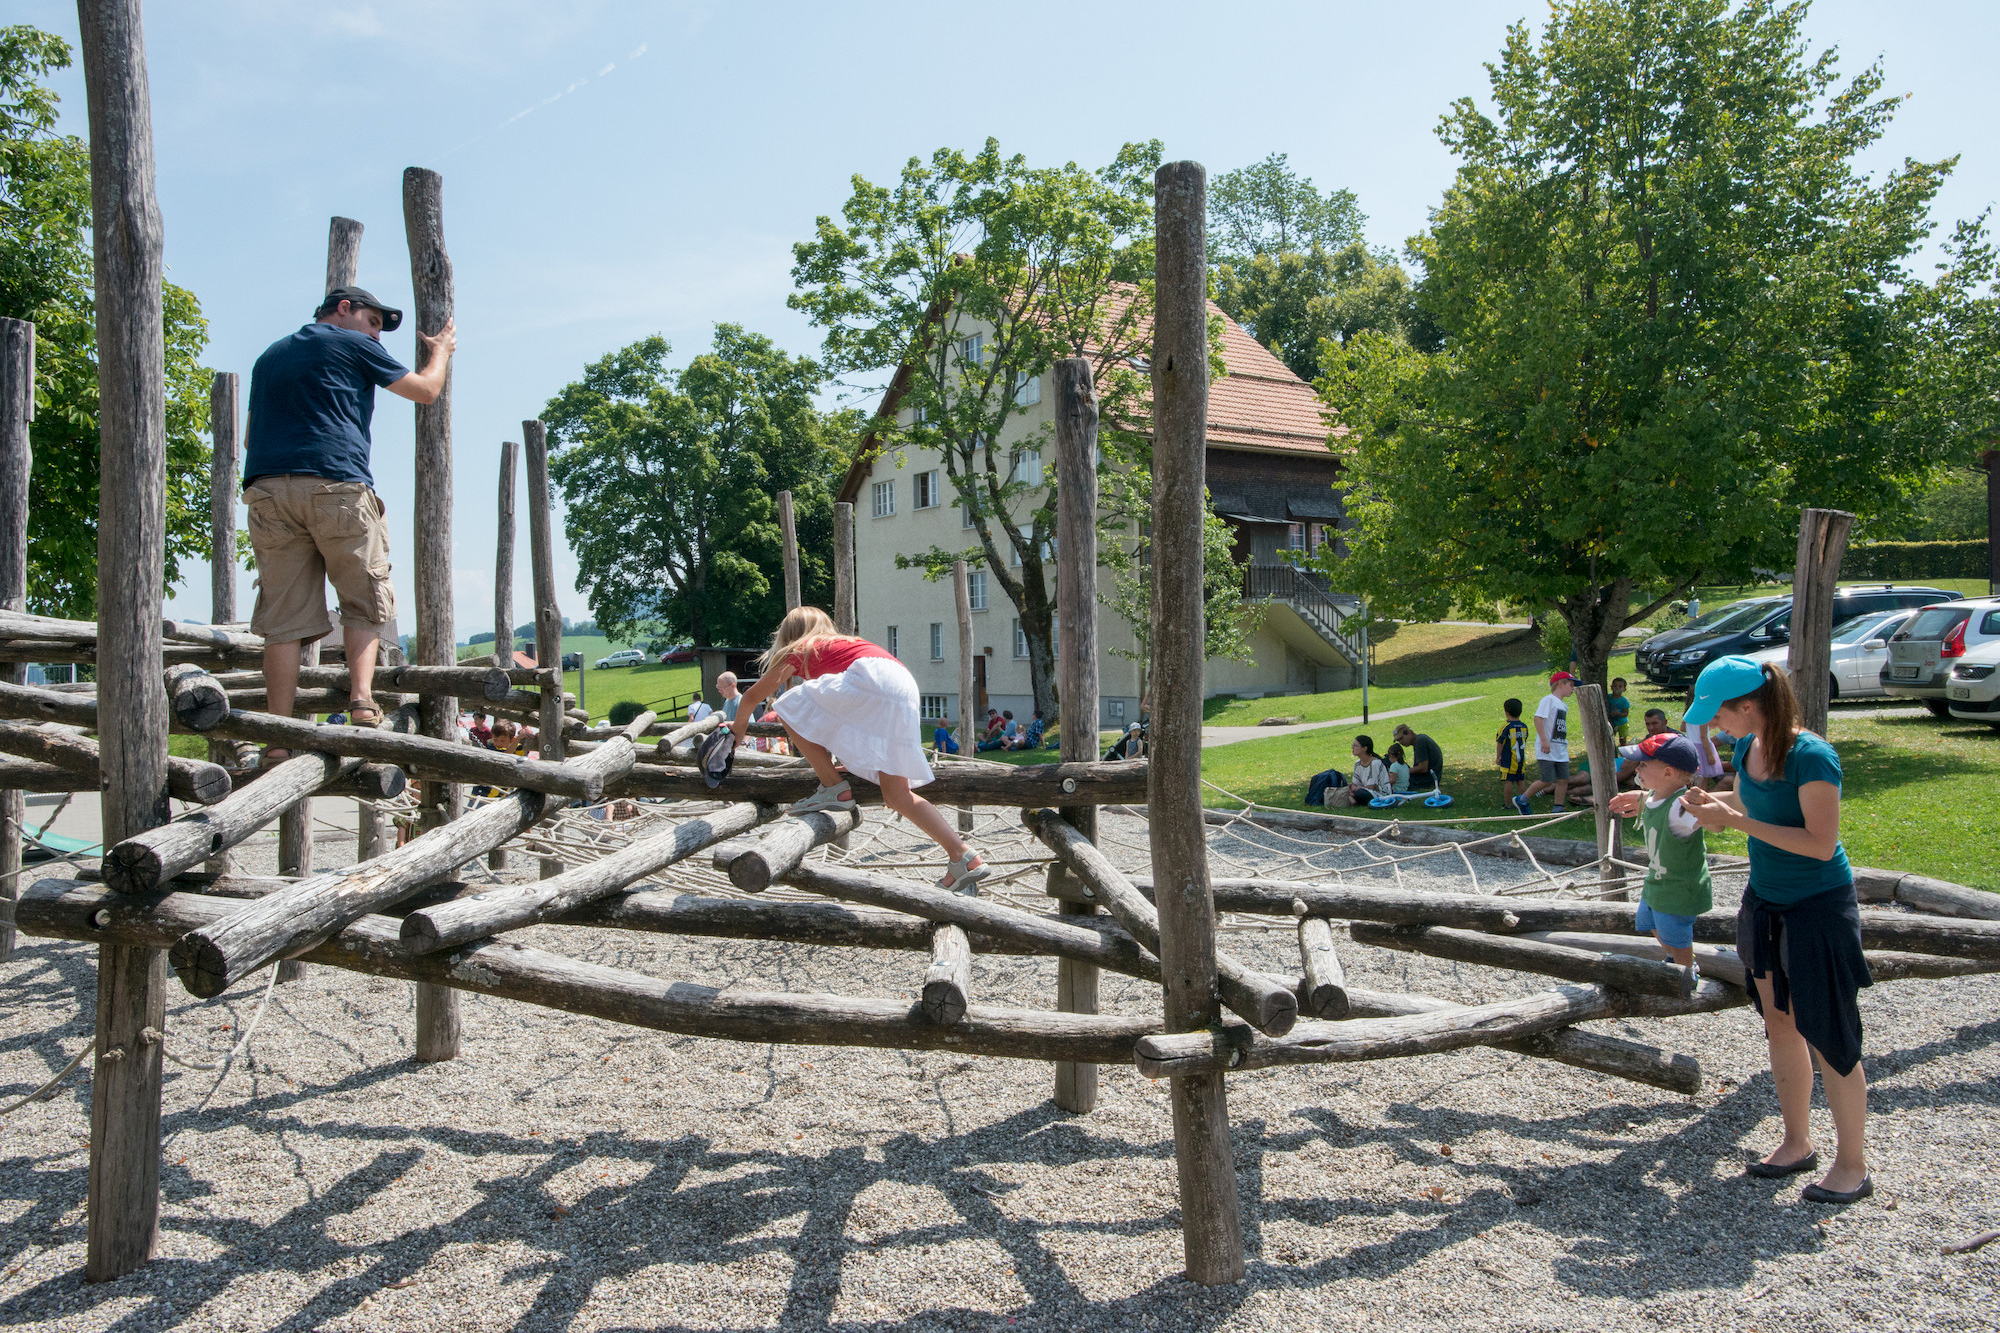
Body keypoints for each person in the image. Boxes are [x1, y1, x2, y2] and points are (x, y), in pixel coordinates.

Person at [1680, 656, 1870, 1205]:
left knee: (1831, 1034)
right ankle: (1796, 1141)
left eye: (1718, 713)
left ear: (1748, 706)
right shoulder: (1748, 747)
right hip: (1765, 902)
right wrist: (1708, 805)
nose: (1715, 725)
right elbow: (1746, 802)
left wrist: (1735, 822)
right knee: (1780, 1024)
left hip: (1818, 908)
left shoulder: (1813, 756)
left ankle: (1852, 1165)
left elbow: (1820, 843)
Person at [242, 285, 455, 762]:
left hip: (267, 490)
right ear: (344, 309)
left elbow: (251, 436)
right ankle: (361, 702)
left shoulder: (268, 356)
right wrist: (441, 351)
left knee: (281, 621)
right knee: (364, 597)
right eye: (374, 322)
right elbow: (426, 390)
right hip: (336, 483)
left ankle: (278, 737)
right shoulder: (353, 343)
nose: (377, 335)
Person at [730, 606, 987, 889]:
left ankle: (832, 787)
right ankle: (962, 856)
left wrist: (738, 730)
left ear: (791, 634)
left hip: (874, 680)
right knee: (897, 795)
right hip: (902, 684)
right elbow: (845, 721)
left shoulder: (802, 648)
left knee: (786, 706)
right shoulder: (843, 645)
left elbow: (752, 697)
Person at [1607, 732, 1711, 966]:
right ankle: (1674, 957)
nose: (1637, 769)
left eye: (1644, 764)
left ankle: (1685, 970)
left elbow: (1715, 825)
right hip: (1658, 881)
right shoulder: (1655, 797)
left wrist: (1705, 807)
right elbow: (1655, 802)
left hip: (1678, 888)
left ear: (1668, 773)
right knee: (1649, 921)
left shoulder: (1682, 806)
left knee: (1676, 932)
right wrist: (1641, 798)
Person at [1513, 672, 1575, 815]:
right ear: (1560, 684)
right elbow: (1538, 718)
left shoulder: (1563, 705)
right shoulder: (1549, 700)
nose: (1573, 688)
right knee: (1547, 780)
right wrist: (1544, 740)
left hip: (1560, 749)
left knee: (1564, 779)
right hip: (1547, 749)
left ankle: (1558, 807)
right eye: (1570, 685)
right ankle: (1523, 799)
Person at [1327, 735, 1390, 807]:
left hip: (1380, 794)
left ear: (1364, 748)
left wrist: (1357, 789)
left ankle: (1351, 798)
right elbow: (1354, 784)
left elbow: (1371, 787)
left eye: (1355, 746)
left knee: (1360, 793)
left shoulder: (1375, 763)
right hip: (1364, 790)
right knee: (1343, 786)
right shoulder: (1357, 764)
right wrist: (1354, 788)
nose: (1352, 748)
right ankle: (1351, 798)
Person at [1496, 698, 1530, 804]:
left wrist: (1498, 757)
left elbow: (1500, 742)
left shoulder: (1506, 727)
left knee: (1508, 781)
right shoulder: (1524, 726)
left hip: (1508, 759)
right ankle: (1522, 802)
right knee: (1520, 780)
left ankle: (1508, 804)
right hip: (1521, 759)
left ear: (1506, 713)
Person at [1392, 724, 1444, 792]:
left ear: (1408, 733)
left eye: (1401, 738)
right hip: (1430, 777)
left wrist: (1404, 771)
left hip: (1427, 780)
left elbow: (1423, 768)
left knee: (1398, 779)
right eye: (1398, 740)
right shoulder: (1420, 739)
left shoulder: (1420, 741)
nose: (1400, 742)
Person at [1606, 677, 1632, 744]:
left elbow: (1626, 713)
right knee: (1610, 738)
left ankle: (1623, 748)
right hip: (1612, 722)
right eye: (1615, 686)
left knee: (1622, 739)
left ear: (1624, 689)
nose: (1617, 688)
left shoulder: (1624, 701)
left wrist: (1618, 713)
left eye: (1620, 686)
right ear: (1611, 687)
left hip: (1622, 723)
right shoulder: (1608, 698)